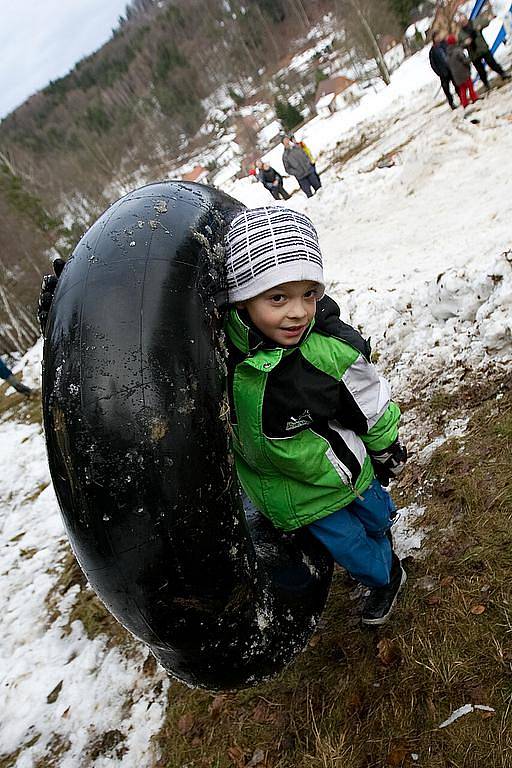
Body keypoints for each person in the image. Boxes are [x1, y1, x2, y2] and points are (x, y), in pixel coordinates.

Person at [223, 206, 408, 625]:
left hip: (342, 470)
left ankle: (384, 525)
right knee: (353, 550)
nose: (299, 312)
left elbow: (370, 403)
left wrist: (385, 449)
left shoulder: (328, 352)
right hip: (297, 496)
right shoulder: (221, 354)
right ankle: (386, 576)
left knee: (376, 515)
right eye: (277, 297)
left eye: (309, 294)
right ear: (241, 298)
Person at [458, 13, 510, 90]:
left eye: (464, 20)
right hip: (474, 54)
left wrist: (482, 24)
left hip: (482, 48)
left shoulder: (474, 23)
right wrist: (465, 43)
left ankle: (503, 74)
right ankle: (486, 84)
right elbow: (460, 46)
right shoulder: (461, 34)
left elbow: (485, 22)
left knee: (492, 63)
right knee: (481, 71)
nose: (464, 22)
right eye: (461, 22)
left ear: (466, 19)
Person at [446, 35, 479, 109]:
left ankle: (464, 103)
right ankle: (474, 98)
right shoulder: (457, 50)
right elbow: (464, 60)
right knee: (470, 86)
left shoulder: (448, 54)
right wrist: (469, 60)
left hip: (456, 75)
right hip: (464, 72)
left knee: (462, 89)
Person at [429, 31, 457, 109]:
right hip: (443, 72)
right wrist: (439, 72)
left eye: (438, 36)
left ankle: (461, 97)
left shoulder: (444, 44)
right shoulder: (433, 50)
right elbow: (433, 64)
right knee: (446, 90)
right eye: (436, 37)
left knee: (456, 84)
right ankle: (451, 103)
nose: (438, 38)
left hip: (451, 68)